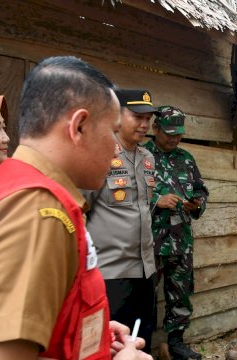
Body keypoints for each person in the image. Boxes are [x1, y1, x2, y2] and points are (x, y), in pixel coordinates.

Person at [0, 56, 151, 359]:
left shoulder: (11, 186)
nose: (115, 148)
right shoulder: (36, 212)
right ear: (78, 126)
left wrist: (88, 329)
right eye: (112, 132)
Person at [83, 89, 157, 354]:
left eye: (148, 118)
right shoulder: (100, 155)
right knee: (108, 346)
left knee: (142, 340)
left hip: (145, 271)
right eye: (138, 116)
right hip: (111, 273)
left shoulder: (148, 158)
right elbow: (81, 210)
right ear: (118, 115)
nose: (144, 124)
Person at [143, 106, 208, 360]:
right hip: (149, 242)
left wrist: (197, 204)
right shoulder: (142, 155)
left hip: (181, 241)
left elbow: (201, 191)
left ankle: (176, 343)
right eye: (169, 133)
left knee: (180, 292)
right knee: (145, 295)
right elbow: (124, 196)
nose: (174, 139)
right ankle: (140, 346)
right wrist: (156, 200)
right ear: (155, 129)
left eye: (179, 134)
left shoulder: (186, 158)